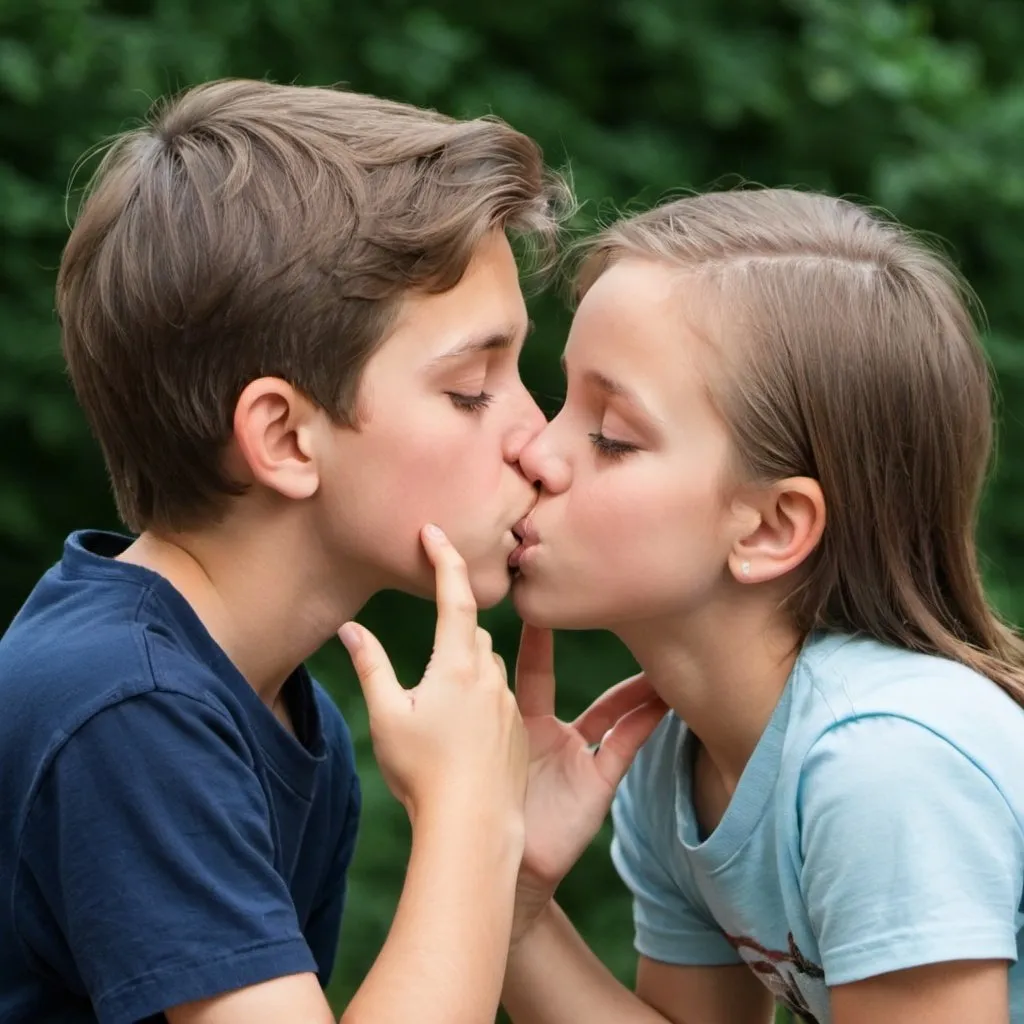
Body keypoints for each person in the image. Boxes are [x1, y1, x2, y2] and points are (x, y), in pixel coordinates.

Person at [0, 77, 604, 1024]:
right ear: (284, 437)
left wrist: (506, 873)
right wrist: (468, 823)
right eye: (472, 387)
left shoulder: (279, 718)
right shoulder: (130, 709)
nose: (538, 440)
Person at [499, 188, 1024, 1023]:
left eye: (611, 436)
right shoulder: (683, 760)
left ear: (773, 526)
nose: (533, 449)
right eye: (561, 401)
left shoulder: (884, 766)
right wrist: (509, 893)